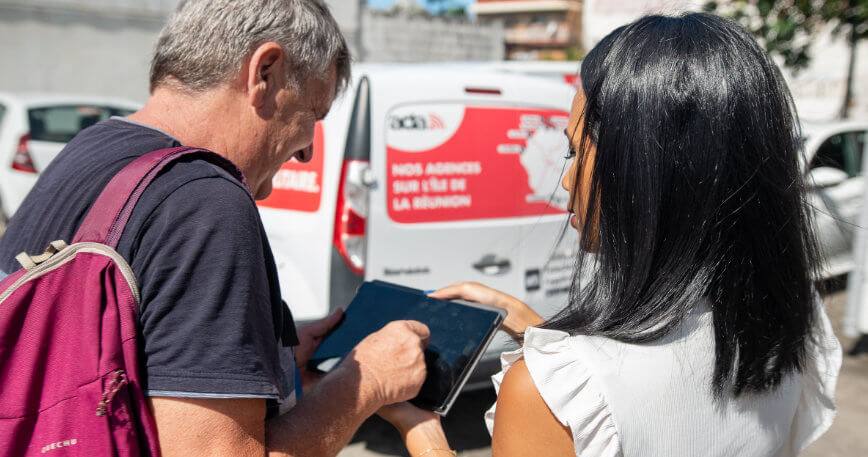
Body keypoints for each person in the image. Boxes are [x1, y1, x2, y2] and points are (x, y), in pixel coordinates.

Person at [378, 13, 843, 457]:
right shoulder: (792, 324)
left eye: (574, 152)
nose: (566, 179)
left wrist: (422, 434)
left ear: (642, 173)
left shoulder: (553, 394)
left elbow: (612, 392)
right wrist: (539, 333)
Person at [0, 1, 430, 456]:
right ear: (265, 72)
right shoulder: (205, 201)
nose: (307, 152)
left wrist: (266, 358)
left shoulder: (92, 148)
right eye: (312, 115)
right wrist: (364, 385)